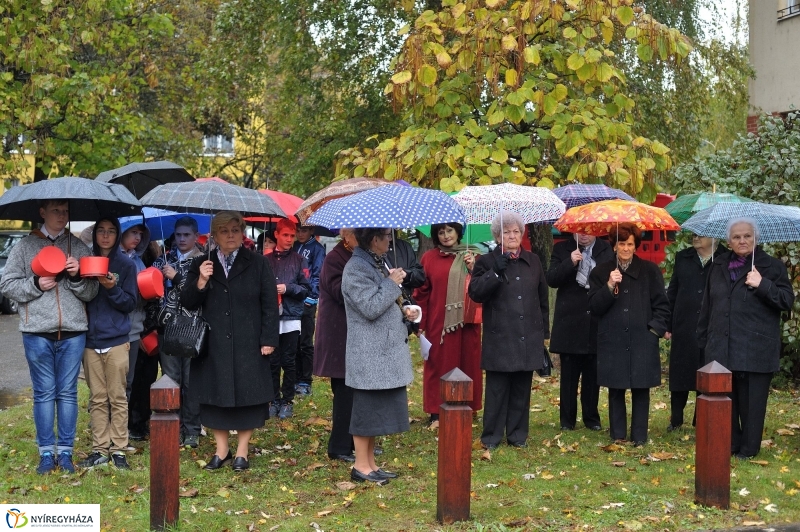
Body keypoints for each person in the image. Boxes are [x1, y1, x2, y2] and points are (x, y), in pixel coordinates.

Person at [0, 200, 98, 474]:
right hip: (37, 331)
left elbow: (92, 292)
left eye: (65, 211)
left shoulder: (78, 247)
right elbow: (7, 285)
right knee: (44, 393)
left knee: (67, 392)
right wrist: (35, 284)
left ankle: (65, 452)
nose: (62, 215)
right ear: (42, 213)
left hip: (73, 330)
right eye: (56, 210)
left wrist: (77, 277)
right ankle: (46, 452)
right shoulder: (25, 246)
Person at [181, 211, 280, 472]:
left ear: (243, 232)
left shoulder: (258, 263)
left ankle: (242, 451)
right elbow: (187, 302)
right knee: (214, 396)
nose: (231, 235)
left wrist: (268, 338)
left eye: (235, 230)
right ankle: (221, 450)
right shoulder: (201, 263)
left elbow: (270, 304)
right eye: (224, 231)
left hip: (249, 342)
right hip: (213, 343)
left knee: (249, 396)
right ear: (214, 235)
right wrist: (201, 280)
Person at [697, 218, 794, 459]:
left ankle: (749, 449)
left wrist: (763, 285)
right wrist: (704, 341)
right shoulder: (718, 265)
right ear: (729, 241)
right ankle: (730, 444)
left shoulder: (772, 267)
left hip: (756, 348)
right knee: (725, 400)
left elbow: (786, 301)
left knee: (752, 403)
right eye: (737, 237)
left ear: (756, 238)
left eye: (747, 236)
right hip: (721, 346)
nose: (742, 240)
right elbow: (708, 305)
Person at [468, 211, 549, 449]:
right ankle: (491, 436)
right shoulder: (486, 261)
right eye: (506, 232)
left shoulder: (533, 260)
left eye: (516, 231)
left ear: (522, 234)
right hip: (500, 337)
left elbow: (542, 298)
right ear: (497, 236)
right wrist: (495, 272)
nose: (512, 236)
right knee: (497, 390)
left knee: (522, 389)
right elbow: (476, 293)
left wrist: (544, 333)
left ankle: (517, 435)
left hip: (527, 335)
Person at [342, 227, 417, 484]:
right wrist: (391, 282)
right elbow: (370, 307)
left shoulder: (375, 262)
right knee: (366, 412)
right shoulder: (355, 268)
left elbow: (384, 302)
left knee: (374, 412)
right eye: (386, 236)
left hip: (381, 352)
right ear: (374, 239)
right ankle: (361, 467)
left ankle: (370, 464)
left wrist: (404, 311)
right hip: (368, 353)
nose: (389, 240)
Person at [588, 223, 670, 446]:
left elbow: (662, 306)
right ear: (614, 246)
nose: (625, 248)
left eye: (630, 244)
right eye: (621, 243)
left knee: (641, 388)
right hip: (612, 339)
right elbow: (594, 307)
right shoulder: (600, 272)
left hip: (643, 339)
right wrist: (609, 285)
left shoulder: (650, 271)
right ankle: (618, 435)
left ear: (636, 246)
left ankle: (640, 436)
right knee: (616, 387)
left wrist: (653, 331)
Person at [78, 218, 138, 470]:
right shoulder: (85, 261)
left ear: (117, 235)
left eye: (111, 231)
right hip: (90, 340)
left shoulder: (126, 264)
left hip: (116, 340)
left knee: (118, 397)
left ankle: (119, 449)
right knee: (98, 398)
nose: (105, 236)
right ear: (94, 235)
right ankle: (100, 449)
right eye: (101, 231)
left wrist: (112, 288)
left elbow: (130, 303)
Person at [414, 223, 482, 427]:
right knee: (439, 364)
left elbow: (484, 286)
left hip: (467, 321)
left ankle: (467, 407)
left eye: (449, 231)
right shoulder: (429, 258)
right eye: (441, 232)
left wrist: (474, 269)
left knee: (468, 362)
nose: (445, 236)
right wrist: (420, 322)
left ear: (458, 232)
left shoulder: (474, 255)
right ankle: (436, 411)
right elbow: (422, 292)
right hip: (440, 322)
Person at [546, 232, 613, 432]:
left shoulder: (606, 250)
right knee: (569, 375)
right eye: (580, 230)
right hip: (570, 321)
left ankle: (591, 418)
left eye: (588, 229)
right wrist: (570, 262)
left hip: (595, 318)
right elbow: (552, 279)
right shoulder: (562, 249)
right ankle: (567, 420)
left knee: (592, 375)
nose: (584, 233)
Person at [152, 217, 206, 448]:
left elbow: (201, 293)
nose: (182, 239)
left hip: (193, 328)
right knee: (171, 379)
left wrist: (176, 277)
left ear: (196, 236)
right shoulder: (162, 260)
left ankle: (192, 429)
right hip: (167, 327)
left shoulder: (204, 261)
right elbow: (150, 292)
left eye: (186, 235)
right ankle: (172, 427)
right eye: (178, 235)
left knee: (191, 382)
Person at [665, 234, 722, 431]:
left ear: (715, 236)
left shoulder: (724, 258)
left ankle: (702, 419)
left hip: (712, 325)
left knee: (707, 371)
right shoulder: (683, 257)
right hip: (684, 324)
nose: (695, 237)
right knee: (681, 372)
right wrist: (667, 323)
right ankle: (676, 419)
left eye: (700, 235)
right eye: (694, 234)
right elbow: (673, 291)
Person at [314, 228, 358, 462]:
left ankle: (357, 442)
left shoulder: (356, 255)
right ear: (346, 235)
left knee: (357, 393)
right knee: (344, 393)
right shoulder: (335, 258)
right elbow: (342, 293)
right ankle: (339, 447)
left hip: (353, 335)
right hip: (338, 335)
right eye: (357, 233)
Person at [265, 218, 311, 419]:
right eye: (285, 235)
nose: (290, 239)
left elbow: (306, 288)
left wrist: (288, 288)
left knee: (289, 360)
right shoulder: (265, 260)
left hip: (291, 315)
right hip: (271, 316)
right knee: (272, 360)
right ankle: (273, 399)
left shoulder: (299, 260)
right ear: (276, 234)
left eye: (292, 236)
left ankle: (287, 400)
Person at [118, 220, 150, 401]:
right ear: (122, 232)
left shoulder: (138, 261)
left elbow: (144, 297)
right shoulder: (111, 257)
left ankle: (123, 418)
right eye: (134, 232)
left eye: (141, 234)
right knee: (108, 383)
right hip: (112, 329)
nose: (138, 237)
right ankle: (103, 418)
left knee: (127, 381)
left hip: (134, 329)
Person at [293, 224, 326, 397]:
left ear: (312, 231)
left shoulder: (317, 249)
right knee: (294, 341)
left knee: (305, 342)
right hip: (293, 298)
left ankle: (305, 380)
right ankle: (295, 377)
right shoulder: (295, 246)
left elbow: (318, 273)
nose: (300, 234)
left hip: (307, 301)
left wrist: (312, 296)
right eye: (298, 230)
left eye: (304, 230)